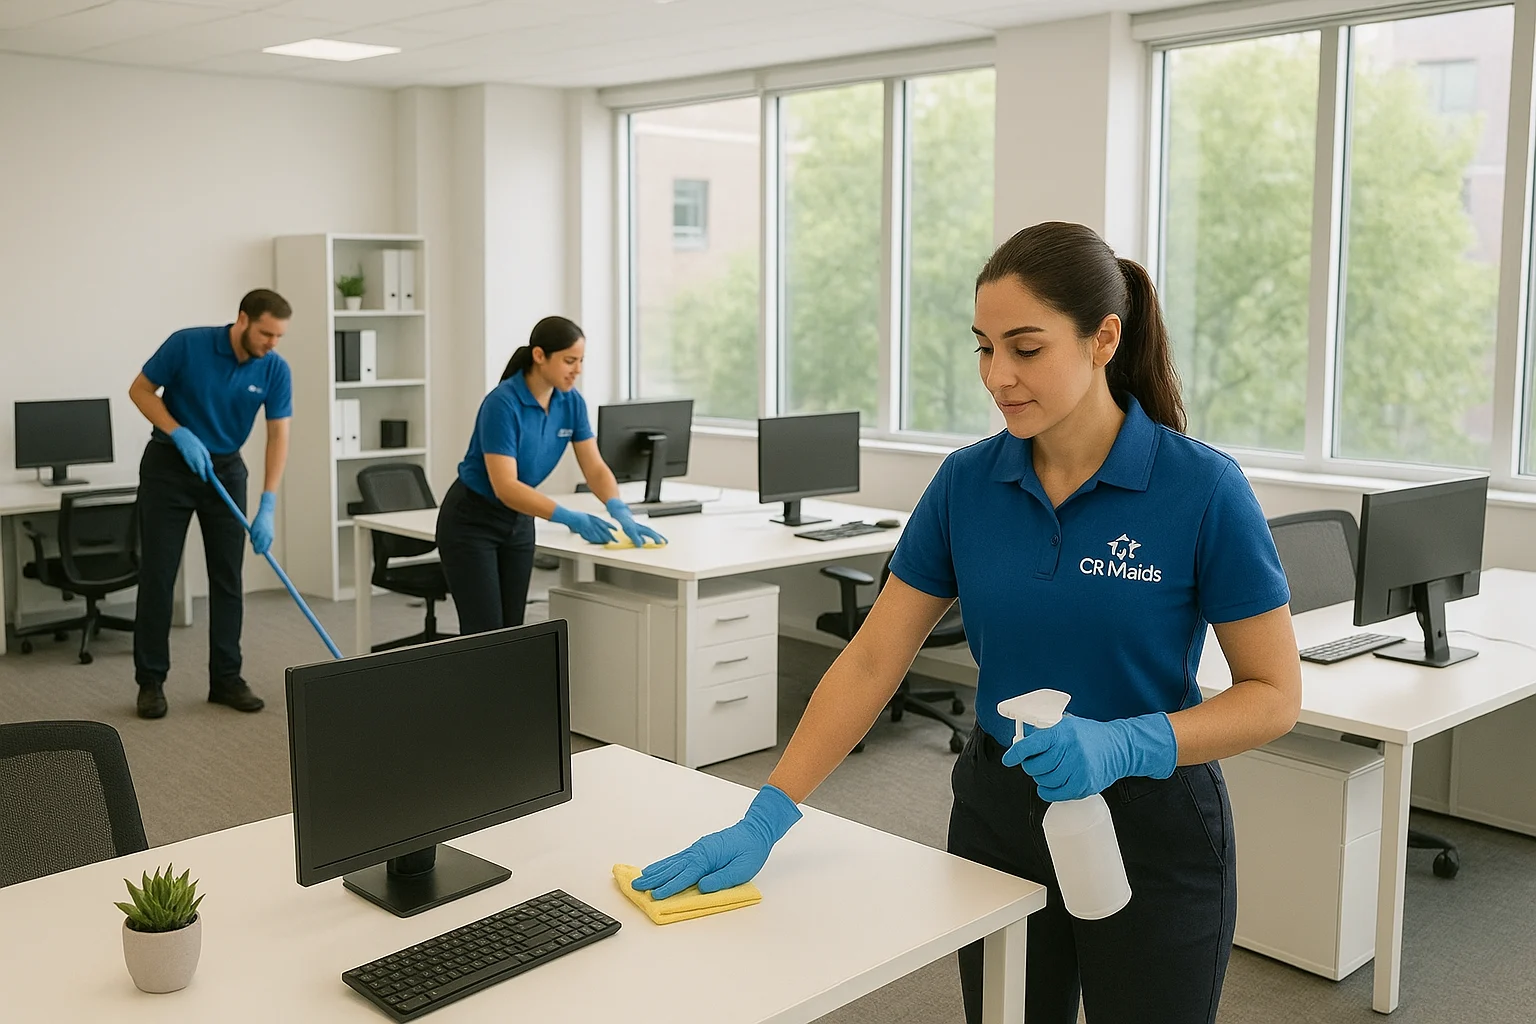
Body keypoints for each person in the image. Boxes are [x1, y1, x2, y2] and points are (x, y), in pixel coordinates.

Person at [631, 222, 1303, 1024]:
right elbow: (874, 658)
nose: (998, 376)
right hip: (999, 811)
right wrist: (769, 812)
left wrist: (1127, 742)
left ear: (1103, 340)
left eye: (1025, 348)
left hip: (1149, 818)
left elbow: (1273, 695)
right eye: (984, 348)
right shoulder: (967, 485)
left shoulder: (1200, 489)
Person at [436, 315, 666, 635]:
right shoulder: (502, 404)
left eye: (581, 361)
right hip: (472, 520)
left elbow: (595, 467)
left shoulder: (570, 402)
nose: (578, 370)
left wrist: (619, 508)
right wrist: (571, 518)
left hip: (518, 521)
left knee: (513, 632)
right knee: (483, 635)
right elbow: (505, 486)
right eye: (569, 360)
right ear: (539, 356)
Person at [128, 289, 293, 720]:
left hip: (225, 469)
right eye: (265, 333)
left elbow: (278, 435)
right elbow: (140, 391)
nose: (271, 344)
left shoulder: (275, 369)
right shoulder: (187, 343)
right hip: (170, 463)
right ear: (242, 319)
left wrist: (268, 503)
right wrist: (177, 430)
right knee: (159, 575)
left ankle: (226, 678)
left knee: (227, 577)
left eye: (279, 336)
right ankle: (151, 681)